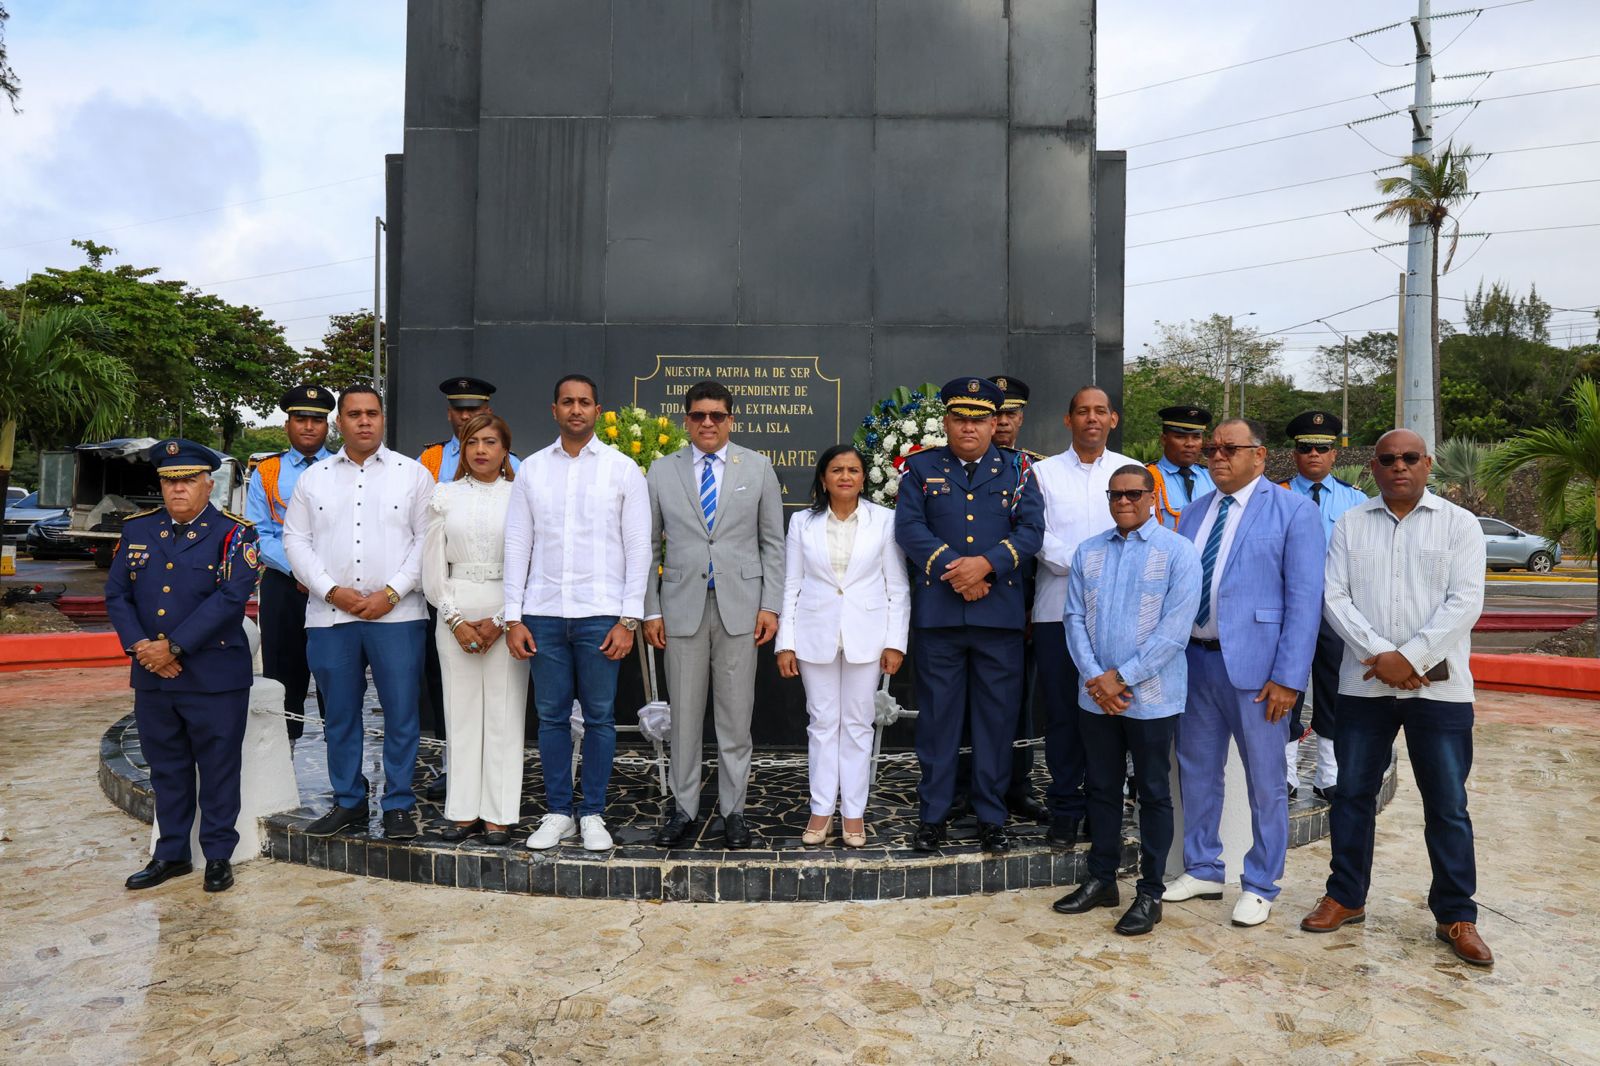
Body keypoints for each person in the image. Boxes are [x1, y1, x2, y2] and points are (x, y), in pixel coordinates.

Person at [1301, 429, 1493, 968]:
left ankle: (1457, 914)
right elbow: (1333, 596)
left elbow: (1466, 601)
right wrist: (1382, 654)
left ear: (1428, 464)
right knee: (1352, 794)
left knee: (1448, 804)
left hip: (1442, 687)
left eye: (1410, 458)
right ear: (1375, 467)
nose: (1399, 467)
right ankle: (1345, 896)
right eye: (1388, 459)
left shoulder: (1459, 524)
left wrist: (1408, 658)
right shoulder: (1350, 523)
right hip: (1364, 686)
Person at [1163, 417, 1323, 927]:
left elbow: (1304, 601)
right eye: (1212, 449)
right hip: (1195, 661)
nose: (1217, 457)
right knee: (1197, 773)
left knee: (1266, 780)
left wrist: (1290, 678)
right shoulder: (1191, 513)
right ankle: (1204, 867)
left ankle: (1261, 882)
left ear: (1259, 455)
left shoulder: (1293, 511)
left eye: (1230, 449)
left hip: (1259, 675)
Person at [895, 377, 1045, 853]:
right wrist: (955, 569)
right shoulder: (919, 468)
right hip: (940, 619)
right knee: (938, 723)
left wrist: (986, 565)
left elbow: (1032, 531)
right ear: (946, 422)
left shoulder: (1019, 469)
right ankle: (934, 815)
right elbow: (910, 529)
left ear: (994, 424)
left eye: (980, 420)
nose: (970, 428)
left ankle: (991, 816)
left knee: (995, 722)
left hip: (998, 620)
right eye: (960, 419)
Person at [106, 439, 261, 893]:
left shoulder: (234, 533)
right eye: (169, 481)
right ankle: (171, 854)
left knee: (217, 769)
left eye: (188, 480)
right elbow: (117, 594)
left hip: (213, 676)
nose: (177, 490)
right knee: (166, 767)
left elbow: (232, 599)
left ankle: (217, 856)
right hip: (153, 676)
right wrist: (140, 646)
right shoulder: (138, 530)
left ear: (208, 484)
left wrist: (172, 647)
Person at [505, 375, 651, 852]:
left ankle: (592, 813)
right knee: (549, 718)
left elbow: (638, 549)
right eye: (567, 402)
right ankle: (557, 812)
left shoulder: (623, 469)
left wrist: (629, 619)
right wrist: (513, 615)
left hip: (600, 616)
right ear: (554, 410)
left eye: (584, 402)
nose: (575, 410)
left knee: (600, 718)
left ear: (597, 409)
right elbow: (517, 544)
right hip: (543, 613)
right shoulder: (531, 470)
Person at [1054, 465, 1201, 935]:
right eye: (1114, 494)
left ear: (1151, 496)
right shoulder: (1089, 551)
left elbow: (1174, 633)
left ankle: (1150, 891)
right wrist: (1098, 678)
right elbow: (1074, 618)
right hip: (1095, 696)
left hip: (1152, 698)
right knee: (1100, 787)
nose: (1122, 502)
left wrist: (1122, 678)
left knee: (1154, 793)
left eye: (1132, 494)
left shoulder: (1178, 552)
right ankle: (1102, 880)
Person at [286, 384, 435, 841]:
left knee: (401, 713)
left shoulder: (413, 475)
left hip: (399, 615)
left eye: (372, 413)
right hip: (332, 618)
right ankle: (348, 800)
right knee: (341, 714)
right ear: (340, 422)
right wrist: (332, 591)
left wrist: (392, 593)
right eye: (354, 414)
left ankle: (398, 804)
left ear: (383, 419)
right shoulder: (314, 479)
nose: (364, 421)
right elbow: (295, 540)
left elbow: (427, 541)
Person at [643, 380, 785, 850]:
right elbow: (648, 545)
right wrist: (650, 609)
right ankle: (683, 809)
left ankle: (733, 811)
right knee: (683, 717)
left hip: (740, 609)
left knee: (734, 717)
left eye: (717, 415)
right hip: (680, 607)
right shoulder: (662, 471)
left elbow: (772, 544)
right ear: (686, 420)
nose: (708, 423)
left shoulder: (758, 467)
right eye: (699, 415)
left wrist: (770, 605)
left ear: (731, 419)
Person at [776, 445, 910, 848]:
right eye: (837, 470)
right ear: (823, 478)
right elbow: (791, 585)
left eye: (853, 470)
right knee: (821, 723)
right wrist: (786, 643)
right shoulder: (802, 522)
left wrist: (895, 643)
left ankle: (853, 814)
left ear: (863, 478)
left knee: (856, 724)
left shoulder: (884, 521)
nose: (846, 476)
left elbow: (897, 587)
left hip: (867, 637)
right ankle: (821, 811)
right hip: (814, 635)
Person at [1031, 384, 1137, 848]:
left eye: (1100, 411)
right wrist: (1093, 563)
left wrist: (1104, 569)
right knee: (1062, 718)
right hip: (1057, 612)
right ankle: (1065, 809)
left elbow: (1141, 531)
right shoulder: (1042, 474)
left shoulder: (1130, 472)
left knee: (1109, 714)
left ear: (1113, 419)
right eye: (1082, 411)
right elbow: (1036, 535)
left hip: (1121, 619)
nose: (1091, 419)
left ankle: (1103, 808)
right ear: (1067, 420)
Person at [422, 412, 527, 847]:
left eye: (490, 442)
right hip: (455, 609)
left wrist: (503, 619)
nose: (481, 450)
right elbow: (431, 564)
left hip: (508, 609)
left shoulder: (521, 496)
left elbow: (531, 561)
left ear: (505, 450)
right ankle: (463, 812)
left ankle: (500, 814)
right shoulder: (443, 495)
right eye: (472, 442)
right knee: (461, 713)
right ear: (462, 450)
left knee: (504, 713)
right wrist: (454, 618)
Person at [1278, 410, 1367, 800]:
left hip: (1336, 609)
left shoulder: (1356, 500)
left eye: (1323, 448)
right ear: (1294, 453)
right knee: (1287, 688)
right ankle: (1285, 771)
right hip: (1287, 609)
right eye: (1305, 447)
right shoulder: (1274, 495)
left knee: (1334, 689)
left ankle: (1328, 773)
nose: (1314, 454)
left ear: (1335, 455)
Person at [246, 383, 334, 741]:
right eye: (301, 419)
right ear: (287, 424)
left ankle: (342, 766)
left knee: (336, 676)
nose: (309, 426)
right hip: (284, 584)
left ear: (329, 426)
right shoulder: (267, 472)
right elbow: (258, 533)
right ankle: (282, 765)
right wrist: (301, 569)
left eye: (317, 419)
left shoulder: (345, 467)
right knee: (283, 675)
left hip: (335, 587)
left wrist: (320, 577)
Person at [979, 374, 1049, 823]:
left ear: (1022, 418)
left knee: (1019, 699)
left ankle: (1017, 785)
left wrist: (1032, 603)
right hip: (966, 591)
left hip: (1019, 601)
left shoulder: (1035, 468)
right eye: (995, 413)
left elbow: (1041, 539)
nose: (1003, 422)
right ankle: (970, 784)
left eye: (1011, 413)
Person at [1148, 405, 1215, 528]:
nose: (1189, 444)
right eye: (1180, 437)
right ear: (1164, 439)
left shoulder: (1212, 477)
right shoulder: (1148, 478)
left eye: (1196, 437)